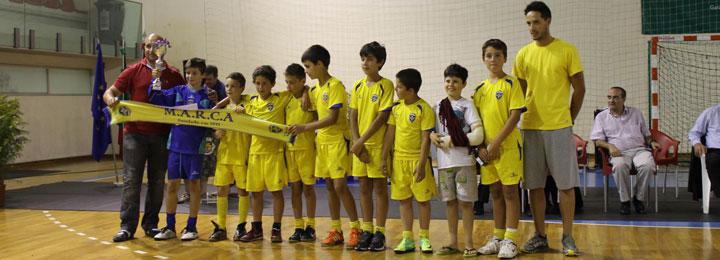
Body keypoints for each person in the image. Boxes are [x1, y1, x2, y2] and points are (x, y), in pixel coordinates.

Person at [513, 1, 586, 256]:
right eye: (528, 23)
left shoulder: (567, 50)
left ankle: (568, 237)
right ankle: (540, 235)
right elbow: (519, 94)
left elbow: (580, 88)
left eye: (536, 22)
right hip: (530, 127)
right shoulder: (523, 54)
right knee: (534, 186)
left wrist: (569, 118)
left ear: (548, 21)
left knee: (565, 186)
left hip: (559, 127)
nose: (532, 28)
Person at [104, 33, 185, 242]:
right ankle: (127, 227)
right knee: (131, 181)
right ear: (144, 47)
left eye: (156, 46)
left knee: (157, 182)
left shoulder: (174, 75)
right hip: (134, 134)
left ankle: (151, 225)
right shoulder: (132, 71)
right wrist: (111, 98)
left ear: (163, 48)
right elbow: (110, 91)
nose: (151, 50)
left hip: (162, 135)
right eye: (148, 46)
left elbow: (185, 100)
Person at [290, 45, 361, 248]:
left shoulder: (335, 85)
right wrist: (304, 91)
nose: (306, 71)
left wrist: (304, 127)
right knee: (329, 187)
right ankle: (336, 229)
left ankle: (356, 228)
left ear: (320, 64)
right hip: (321, 143)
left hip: (338, 140)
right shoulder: (314, 89)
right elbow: (307, 94)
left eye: (308, 66)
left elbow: (331, 118)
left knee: (340, 186)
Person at [148, 57, 215, 241]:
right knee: (172, 187)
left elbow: (216, 120)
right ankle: (170, 227)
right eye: (188, 72)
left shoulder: (208, 97)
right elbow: (156, 97)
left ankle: (191, 227)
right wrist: (156, 80)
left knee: (194, 187)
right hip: (176, 147)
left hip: (195, 149)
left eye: (194, 73)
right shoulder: (178, 91)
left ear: (203, 75)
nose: (190, 76)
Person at [474, 39, 526, 259]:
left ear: (505, 58)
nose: (493, 59)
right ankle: (497, 237)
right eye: (488, 55)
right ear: (483, 59)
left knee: (510, 193)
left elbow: (515, 115)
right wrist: (480, 148)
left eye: (497, 55)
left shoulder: (512, 84)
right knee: (494, 193)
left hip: (508, 148)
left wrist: (495, 143)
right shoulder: (479, 89)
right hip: (486, 152)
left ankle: (511, 239)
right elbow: (474, 122)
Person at [380, 68, 436, 255]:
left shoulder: (424, 108)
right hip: (399, 161)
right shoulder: (396, 107)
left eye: (399, 87)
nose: (396, 90)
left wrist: (421, 164)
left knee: (423, 201)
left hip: (417, 161)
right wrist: (384, 157)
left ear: (411, 90)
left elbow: (426, 138)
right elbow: (390, 133)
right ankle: (408, 239)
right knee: (404, 201)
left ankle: (425, 238)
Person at [240, 65, 299, 243]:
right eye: (257, 83)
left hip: (275, 154)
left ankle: (276, 228)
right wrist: (236, 108)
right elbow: (232, 97)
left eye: (264, 83)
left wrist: (303, 95)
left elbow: (302, 89)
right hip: (255, 154)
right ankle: (256, 228)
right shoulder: (250, 101)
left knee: (276, 193)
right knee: (256, 193)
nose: (261, 87)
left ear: (272, 84)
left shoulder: (281, 98)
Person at [430, 64, 483, 257]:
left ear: (464, 84)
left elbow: (477, 136)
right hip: (444, 164)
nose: (451, 84)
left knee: (466, 203)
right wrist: (431, 136)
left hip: (465, 162)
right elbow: (430, 130)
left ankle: (469, 243)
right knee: (450, 202)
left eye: (455, 81)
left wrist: (450, 140)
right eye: (448, 81)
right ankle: (453, 241)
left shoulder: (468, 106)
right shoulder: (436, 106)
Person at [348, 41, 394, 251]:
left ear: (380, 62)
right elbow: (353, 116)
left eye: (370, 59)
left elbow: (382, 117)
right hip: (361, 147)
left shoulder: (386, 85)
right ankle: (366, 230)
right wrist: (357, 143)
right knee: (363, 188)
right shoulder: (357, 86)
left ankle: (380, 232)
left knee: (379, 189)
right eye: (363, 59)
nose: (365, 63)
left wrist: (360, 142)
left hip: (375, 146)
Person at [591, 87, 660, 215]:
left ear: (624, 99)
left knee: (649, 165)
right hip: (619, 152)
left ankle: (639, 199)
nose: (611, 100)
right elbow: (597, 140)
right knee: (619, 165)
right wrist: (610, 146)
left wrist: (652, 142)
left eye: (615, 97)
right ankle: (625, 201)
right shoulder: (601, 117)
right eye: (609, 97)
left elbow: (646, 135)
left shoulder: (636, 113)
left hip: (640, 150)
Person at [208, 72, 252, 242]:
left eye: (233, 86)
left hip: (241, 156)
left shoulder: (248, 105)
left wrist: (244, 111)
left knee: (242, 191)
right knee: (221, 191)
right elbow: (213, 126)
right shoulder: (221, 110)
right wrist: (216, 132)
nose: (229, 89)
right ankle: (220, 227)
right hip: (224, 155)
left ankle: (241, 226)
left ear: (242, 88)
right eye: (227, 86)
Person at [284, 63, 319, 243]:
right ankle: (298, 225)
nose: (288, 86)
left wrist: (306, 91)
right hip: (290, 151)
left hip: (307, 150)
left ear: (302, 81)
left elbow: (318, 118)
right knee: (295, 189)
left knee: (308, 189)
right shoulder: (285, 98)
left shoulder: (311, 97)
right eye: (286, 82)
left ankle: (311, 225)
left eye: (292, 83)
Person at [689, 105, 720, 197]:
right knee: (714, 161)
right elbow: (694, 132)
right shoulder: (711, 112)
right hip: (716, 151)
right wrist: (697, 143)